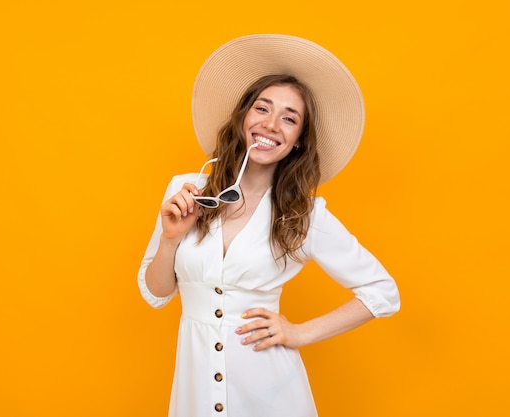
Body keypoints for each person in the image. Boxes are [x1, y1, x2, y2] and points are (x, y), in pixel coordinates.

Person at [138, 34, 400, 417]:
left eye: (289, 118)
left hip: (272, 395)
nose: (271, 124)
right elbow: (157, 293)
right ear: (244, 116)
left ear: (296, 141)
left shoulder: (304, 213)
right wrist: (170, 239)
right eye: (262, 108)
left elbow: (383, 293)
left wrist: (299, 333)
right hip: (194, 393)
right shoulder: (187, 189)